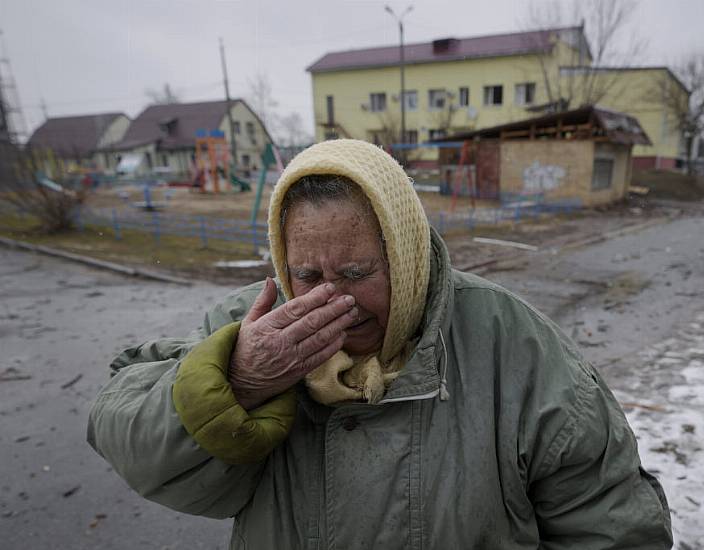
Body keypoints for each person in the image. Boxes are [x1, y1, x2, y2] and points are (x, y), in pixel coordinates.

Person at [88, 139, 672, 549]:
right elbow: (123, 425)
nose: (332, 302)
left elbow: (611, 527)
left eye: (359, 271)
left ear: (409, 257)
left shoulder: (512, 344)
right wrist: (236, 381)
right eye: (309, 277)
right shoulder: (253, 324)